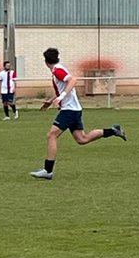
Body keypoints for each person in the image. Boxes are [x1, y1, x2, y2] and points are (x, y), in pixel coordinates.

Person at [30, 47, 125, 180]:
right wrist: (52, 100)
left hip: (69, 110)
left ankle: (48, 170)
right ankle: (113, 130)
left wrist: (61, 97)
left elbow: (73, 81)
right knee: (82, 139)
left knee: (51, 135)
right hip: (74, 109)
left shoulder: (57, 70)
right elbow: (63, 87)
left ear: (45, 62)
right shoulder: (59, 69)